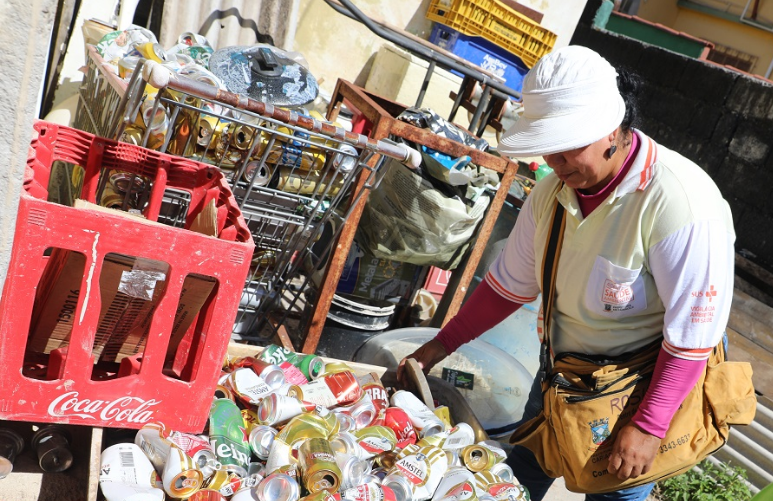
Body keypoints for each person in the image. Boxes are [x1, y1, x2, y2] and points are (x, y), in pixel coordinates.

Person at [397, 45, 735, 501]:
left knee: (615, 491)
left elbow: (693, 337)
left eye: (568, 148)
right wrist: (436, 347)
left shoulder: (681, 203)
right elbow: (505, 288)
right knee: (515, 479)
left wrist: (649, 426)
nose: (555, 164)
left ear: (612, 129)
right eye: (547, 151)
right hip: (561, 372)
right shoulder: (550, 194)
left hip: (635, 389)